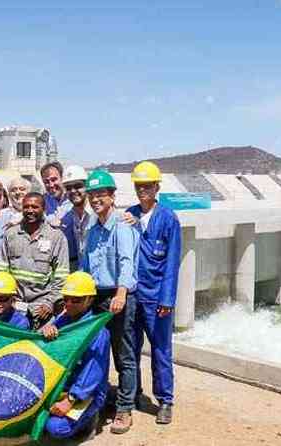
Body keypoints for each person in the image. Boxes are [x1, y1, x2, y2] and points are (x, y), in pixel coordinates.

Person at [81, 170, 138, 434]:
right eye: (91, 195)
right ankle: (102, 401)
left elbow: (127, 262)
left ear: (112, 196)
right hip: (98, 297)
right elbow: (85, 267)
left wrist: (121, 294)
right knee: (98, 352)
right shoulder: (92, 229)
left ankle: (125, 409)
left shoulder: (122, 225)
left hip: (119, 295)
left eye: (100, 194)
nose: (95, 200)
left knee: (123, 354)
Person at [124, 161, 180, 425]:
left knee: (160, 350)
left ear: (157, 187)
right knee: (131, 349)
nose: (143, 190)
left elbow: (172, 261)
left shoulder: (168, 218)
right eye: (139, 185)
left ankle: (165, 400)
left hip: (157, 298)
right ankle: (133, 393)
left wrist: (167, 299)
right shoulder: (129, 214)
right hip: (133, 296)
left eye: (148, 185)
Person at [41, 271, 110, 440]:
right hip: (61, 386)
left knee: (55, 428)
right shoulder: (63, 321)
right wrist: (46, 331)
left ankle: (89, 421)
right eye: (66, 299)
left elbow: (92, 373)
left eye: (76, 300)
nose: (69, 304)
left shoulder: (98, 332)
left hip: (85, 392)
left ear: (90, 300)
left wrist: (70, 400)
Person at [0, 192, 69, 329]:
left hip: (43, 310)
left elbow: (61, 276)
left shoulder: (56, 237)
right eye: (26, 207)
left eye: (35, 207)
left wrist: (50, 303)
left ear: (44, 209)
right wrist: (7, 300)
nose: (30, 210)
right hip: (14, 307)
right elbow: (1, 271)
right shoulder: (10, 234)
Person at [60, 166, 95, 272]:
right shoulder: (70, 215)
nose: (73, 191)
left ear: (87, 187)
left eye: (78, 186)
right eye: (68, 188)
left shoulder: (97, 213)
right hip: (82, 275)